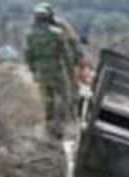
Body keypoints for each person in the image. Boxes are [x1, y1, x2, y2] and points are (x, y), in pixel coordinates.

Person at [24, 3, 78, 139]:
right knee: (63, 97)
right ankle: (60, 128)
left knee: (48, 100)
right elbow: (66, 55)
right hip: (56, 69)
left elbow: (28, 55)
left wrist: (33, 70)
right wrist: (71, 72)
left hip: (41, 70)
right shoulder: (57, 33)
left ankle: (49, 127)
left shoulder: (31, 35)